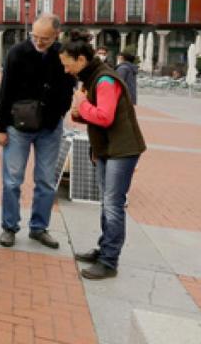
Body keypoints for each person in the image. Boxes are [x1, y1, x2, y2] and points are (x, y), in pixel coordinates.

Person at [61, 30, 146, 280]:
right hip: (107, 149)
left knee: (113, 205)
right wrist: (80, 109)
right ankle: (103, 249)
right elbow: (87, 114)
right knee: (107, 204)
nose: (66, 70)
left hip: (122, 149)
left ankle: (109, 261)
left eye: (67, 65)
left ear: (80, 60)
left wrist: (81, 104)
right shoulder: (90, 78)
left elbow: (104, 116)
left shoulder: (105, 80)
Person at [0, 13, 74, 250]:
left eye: (45, 39)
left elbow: (69, 86)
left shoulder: (61, 54)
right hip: (17, 126)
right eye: (35, 36)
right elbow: (5, 89)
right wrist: (0, 127)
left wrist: (61, 111)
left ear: (56, 35)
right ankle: (9, 227)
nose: (38, 42)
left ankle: (39, 228)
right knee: (11, 181)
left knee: (47, 181)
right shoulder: (17, 52)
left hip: (50, 127)